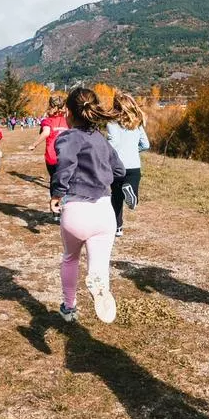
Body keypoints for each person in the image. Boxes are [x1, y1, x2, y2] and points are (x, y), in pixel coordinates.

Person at [51, 87, 125, 324]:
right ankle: (99, 281)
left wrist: (56, 194)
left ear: (69, 113)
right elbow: (120, 170)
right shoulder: (101, 140)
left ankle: (69, 307)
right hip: (104, 211)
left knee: (70, 258)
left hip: (76, 210)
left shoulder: (69, 137)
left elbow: (64, 164)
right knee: (99, 264)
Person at [105, 91, 151, 238]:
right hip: (133, 166)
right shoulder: (137, 124)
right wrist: (133, 150)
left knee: (116, 197)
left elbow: (113, 144)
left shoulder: (111, 123)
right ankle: (132, 196)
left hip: (117, 167)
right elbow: (146, 144)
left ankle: (118, 227)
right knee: (132, 192)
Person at [29, 96, 69, 188]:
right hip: (66, 156)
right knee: (66, 181)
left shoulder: (47, 121)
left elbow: (46, 133)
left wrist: (34, 145)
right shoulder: (69, 121)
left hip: (52, 156)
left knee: (54, 180)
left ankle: (55, 200)